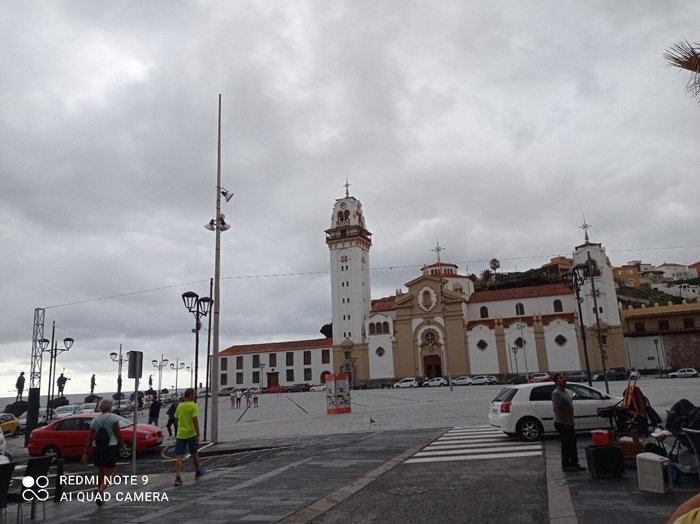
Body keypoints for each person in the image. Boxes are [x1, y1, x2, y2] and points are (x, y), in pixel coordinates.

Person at [81, 399, 126, 505]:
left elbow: (90, 437)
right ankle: (101, 489)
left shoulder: (95, 420)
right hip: (110, 447)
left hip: (97, 448)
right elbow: (118, 433)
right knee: (111, 472)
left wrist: (86, 452)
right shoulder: (113, 418)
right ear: (110, 407)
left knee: (101, 472)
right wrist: (123, 445)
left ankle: (99, 496)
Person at [551, 372, 585, 472]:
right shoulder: (556, 393)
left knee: (572, 443)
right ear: (556, 381)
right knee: (566, 444)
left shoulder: (565, 391)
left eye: (564, 378)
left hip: (568, 422)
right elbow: (556, 409)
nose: (563, 379)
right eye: (560, 378)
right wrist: (565, 421)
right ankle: (567, 464)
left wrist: (571, 421)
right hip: (562, 423)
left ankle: (574, 463)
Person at [174, 388, 205, 486]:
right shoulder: (194, 406)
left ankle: (178, 477)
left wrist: (179, 429)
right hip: (191, 434)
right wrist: (198, 434)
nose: (195, 396)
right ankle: (197, 471)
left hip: (180, 434)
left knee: (179, 456)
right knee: (194, 453)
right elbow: (195, 421)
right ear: (191, 395)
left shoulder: (180, 406)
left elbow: (176, 420)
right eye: (194, 395)